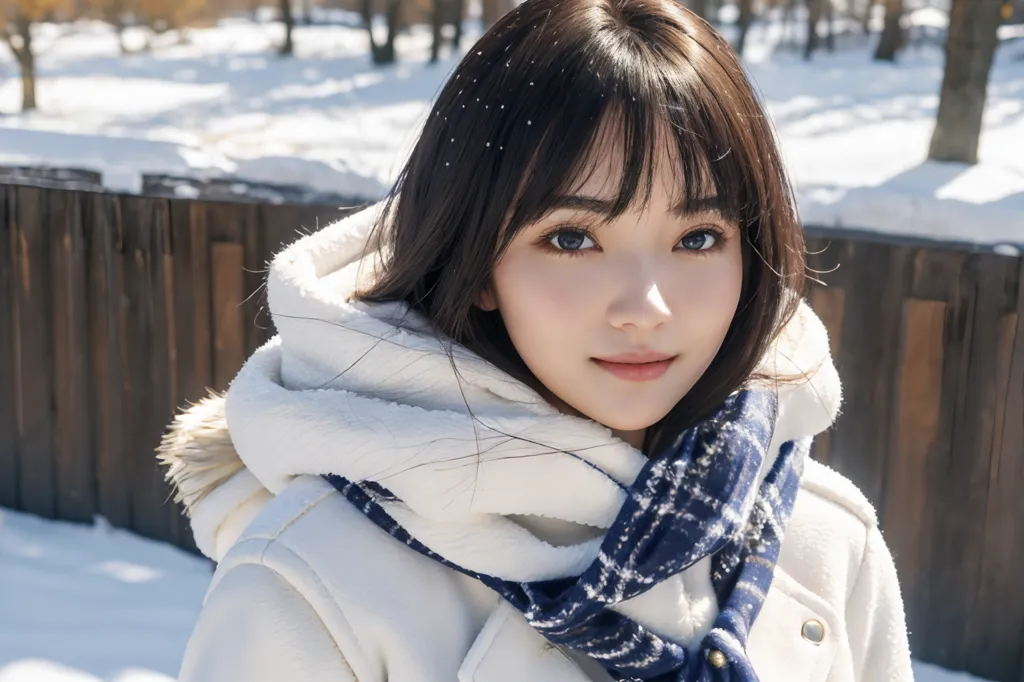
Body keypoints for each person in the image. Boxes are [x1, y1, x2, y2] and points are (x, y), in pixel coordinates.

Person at [159, 1, 914, 680]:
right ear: (479, 261)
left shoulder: (820, 536)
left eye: (699, 237)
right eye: (573, 238)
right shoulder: (317, 578)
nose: (646, 308)